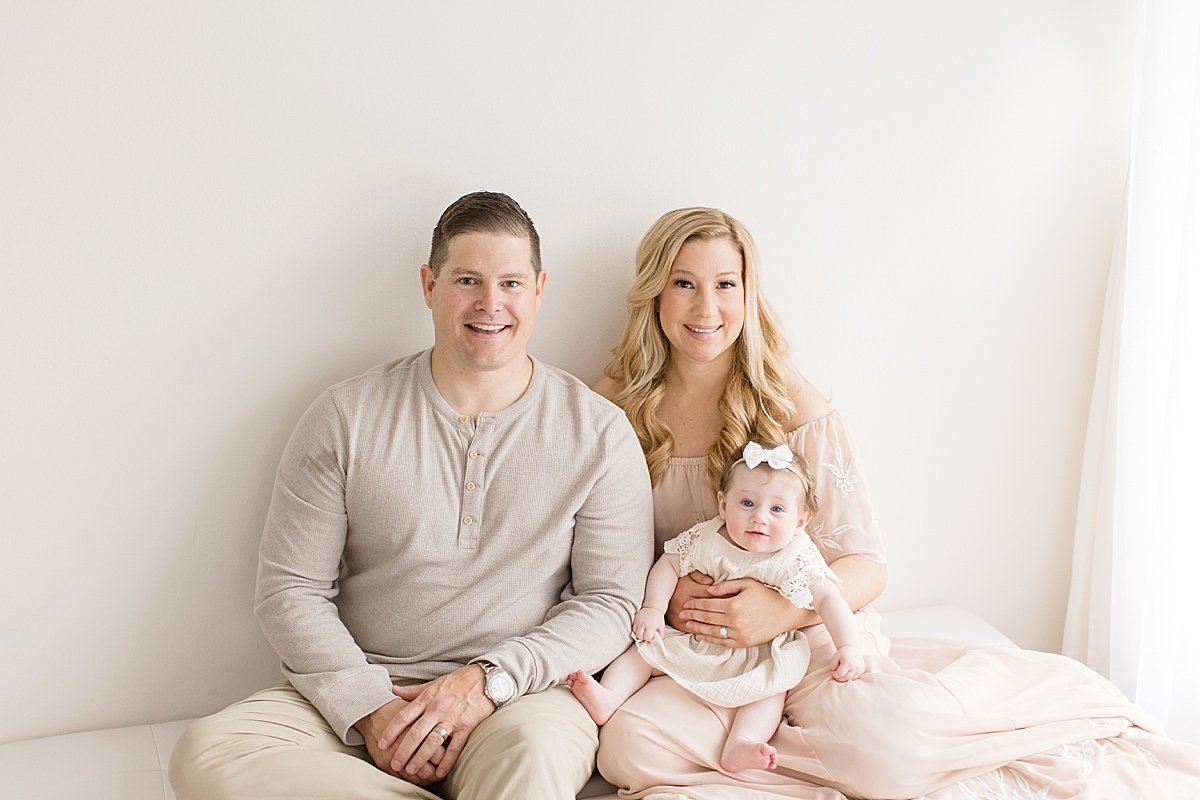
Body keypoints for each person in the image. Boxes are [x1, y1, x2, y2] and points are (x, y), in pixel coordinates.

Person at [593, 206, 1200, 799]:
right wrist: (666, 606)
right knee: (629, 749)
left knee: (893, 752)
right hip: (696, 648)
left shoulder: (791, 406)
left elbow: (867, 565)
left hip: (802, 642)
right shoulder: (612, 407)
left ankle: (822, 749)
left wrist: (780, 612)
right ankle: (777, 758)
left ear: (748, 294)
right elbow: (598, 556)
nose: (707, 308)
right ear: (654, 293)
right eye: (684, 284)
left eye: (726, 284)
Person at [168, 191, 654, 800]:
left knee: (534, 764)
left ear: (539, 289)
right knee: (207, 752)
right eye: (467, 280)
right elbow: (290, 589)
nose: (490, 304)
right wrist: (370, 709)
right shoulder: (346, 415)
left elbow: (610, 601)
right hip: (362, 688)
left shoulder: (600, 433)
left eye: (510, 282)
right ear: (429, 284)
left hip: (518, 700)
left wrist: (486, 682)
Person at [568, 439, 865, 774]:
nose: (759, 518)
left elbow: (828, 598)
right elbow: (669, 564)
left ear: (800, 521)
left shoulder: (795, 556)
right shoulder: (708, 538)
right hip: (695, 638)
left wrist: (849, 646)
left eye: (777, 509)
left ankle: (742, 743)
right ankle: (608, 697)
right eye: (747, 503)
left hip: (759, 651)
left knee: (771, 690)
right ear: (723, 504)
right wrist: (653, 608)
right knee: (643, 651)